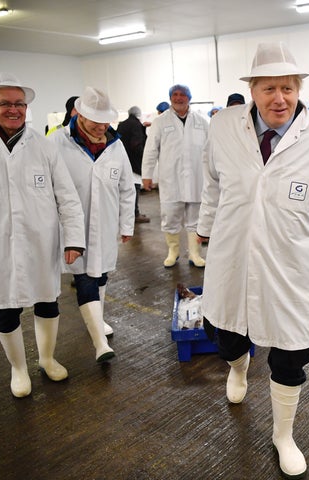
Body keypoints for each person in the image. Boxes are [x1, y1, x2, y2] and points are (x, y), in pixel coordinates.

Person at [197, 41, 309, 479]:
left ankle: (283, 434)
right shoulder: (222, 127)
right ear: (252, 89)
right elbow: (212, 184)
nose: (279, 98)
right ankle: (238, 367)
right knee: (225, 334)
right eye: (269, 88)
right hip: (232, 257)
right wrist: (204, 226)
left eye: (287, 88)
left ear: (298, 88)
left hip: (293, 265)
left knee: (291, 354)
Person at [0, 72, 86, 398]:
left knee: (47, 302)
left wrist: (73, 239)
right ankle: (19, 369)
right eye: (5, 104)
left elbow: (67, 196)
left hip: (42, 240)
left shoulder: (43, 145)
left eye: (19, 103)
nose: (14, 109)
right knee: (6, 307)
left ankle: (48, 359)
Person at [48, 87, 135, 363]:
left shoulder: (115, 144)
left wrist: (127, 225)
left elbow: (126, 188)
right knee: (84, 277)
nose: (101, 127)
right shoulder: (55, 143)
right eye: (94, 121)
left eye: (105, 121)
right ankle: (100, 343)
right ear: (79, 115)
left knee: (101, 275)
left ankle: (97, 319)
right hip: (72, 227)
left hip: (106, 224)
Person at [141, 84, 209, 268]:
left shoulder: (202, 121)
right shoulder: (160, 121)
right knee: (170, 216)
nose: (178, 98)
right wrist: (146, 175)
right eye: (175, 95)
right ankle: (173, 252)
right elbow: (150, 150)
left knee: (196, 218)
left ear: (189, 98)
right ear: (170, 98)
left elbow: (212, 148)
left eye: (183, 95)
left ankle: (195, 254)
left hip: (197, 178)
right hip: (171, 179)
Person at [117, 106, 150, 223]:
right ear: (139, 114)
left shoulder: (122, 124)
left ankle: (128, 213)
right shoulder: (136, 125)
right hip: (133, 162)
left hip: (122, 160)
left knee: (125, 189)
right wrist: (144, 157)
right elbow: (136, 144)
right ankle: (135, 214)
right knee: (134, 188)